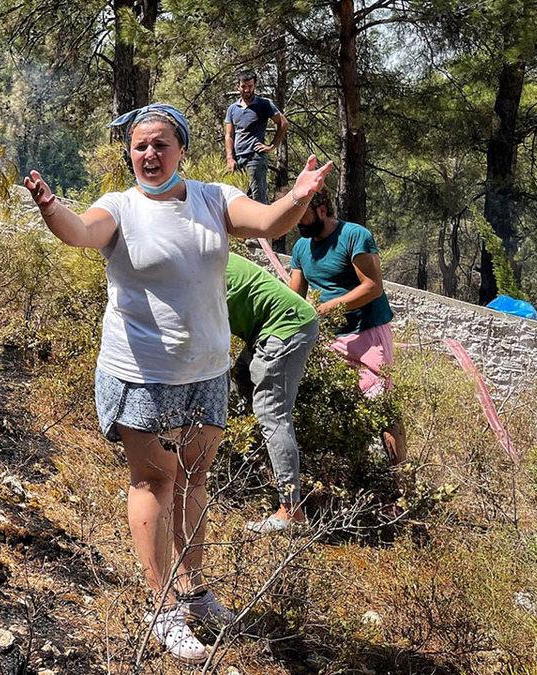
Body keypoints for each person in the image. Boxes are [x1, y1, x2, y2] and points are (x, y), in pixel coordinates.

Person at [23, 103, 332, 664]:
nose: (150, 153)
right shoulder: (118, 206)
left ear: (182, 149)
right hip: (140, 373)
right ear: (130, 153)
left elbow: (267, 222)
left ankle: (192, 589)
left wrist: (298, 195)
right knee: (154, 484)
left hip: (205, 372)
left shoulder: (213, 198)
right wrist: (51, 206)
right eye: (140, 145)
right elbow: (81, 232)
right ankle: (162, 606)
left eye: (161, 143)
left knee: (193, 479)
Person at [288, 188, 408, 465]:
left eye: (302, 216)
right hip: (330, 339)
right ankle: (351, 469)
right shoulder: (300, 248)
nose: (298, 223)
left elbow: (373, 287)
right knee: (337, 402)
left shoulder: (355, 235)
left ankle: (399, 478)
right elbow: (295, 297)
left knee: (381, 407)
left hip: (368, 332)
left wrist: (327, 309)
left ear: (321, 209)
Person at [226, 253, 319, 534]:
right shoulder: (202, 255)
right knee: (241, 375)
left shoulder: (199, 268)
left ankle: (292, 512)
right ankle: (247, 456)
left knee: (273, 414)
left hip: (286, 328)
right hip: (272, 327)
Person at [224, 70, 288, 203]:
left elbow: (283, 123)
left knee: (258, 198)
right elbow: (229, 135)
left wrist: (272, 146)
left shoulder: (264, 104)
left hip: (255, 158)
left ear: (255, 86)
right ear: (238, 86)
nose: (247, 90)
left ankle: (264, 223)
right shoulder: (232, 108)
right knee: (237, 198)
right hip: (238, 159)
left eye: (250, 86)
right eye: (243, 86)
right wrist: (230, 157)